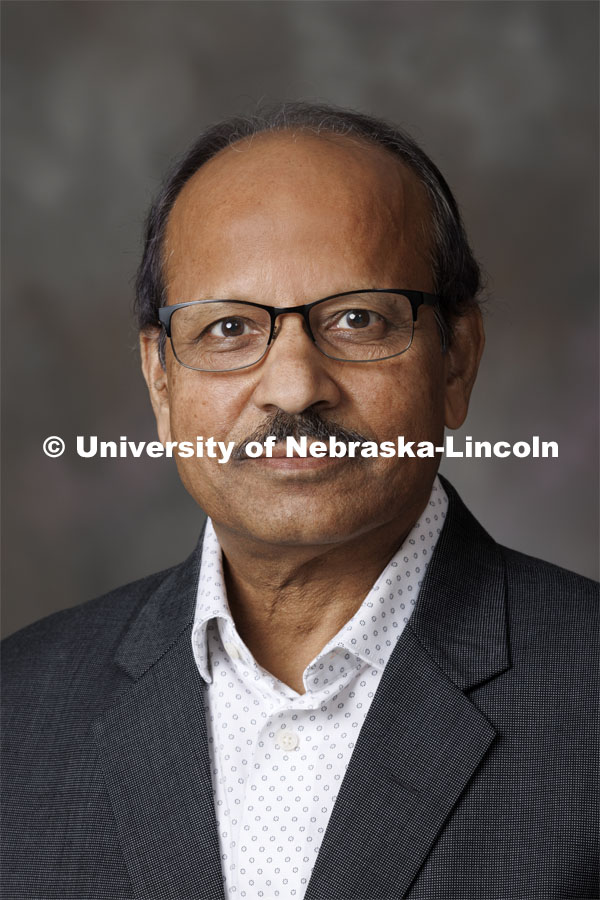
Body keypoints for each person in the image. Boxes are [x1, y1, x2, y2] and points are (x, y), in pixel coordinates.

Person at [2, 103, 597, 900]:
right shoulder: (18, 710)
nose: (293, 386)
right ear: (160, 379)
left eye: (358, 319)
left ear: (456, 359)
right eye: (229, 330)